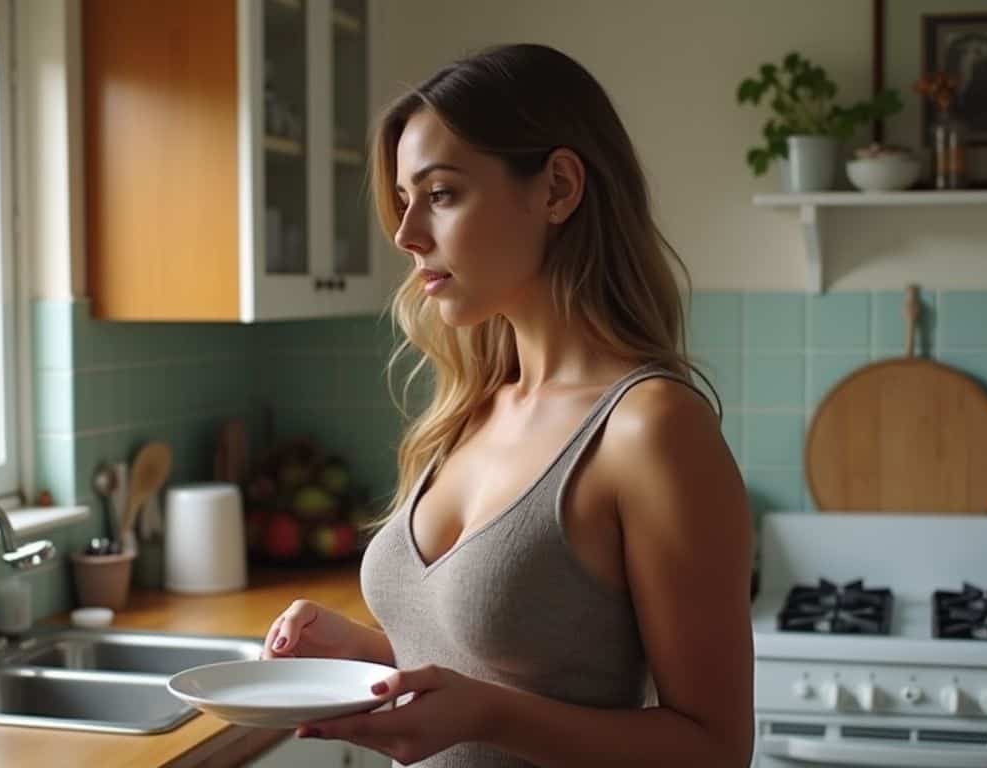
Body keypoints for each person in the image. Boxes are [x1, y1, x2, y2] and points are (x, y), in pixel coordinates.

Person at [261, 43, 753, 767]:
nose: (406, 236)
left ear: (556, 187)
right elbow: (507, 667)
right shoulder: (470, 407)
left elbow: (715, 750)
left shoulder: (650, 428)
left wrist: (490, 715)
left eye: (441, 194)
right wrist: (366, 653)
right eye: (403, 201)